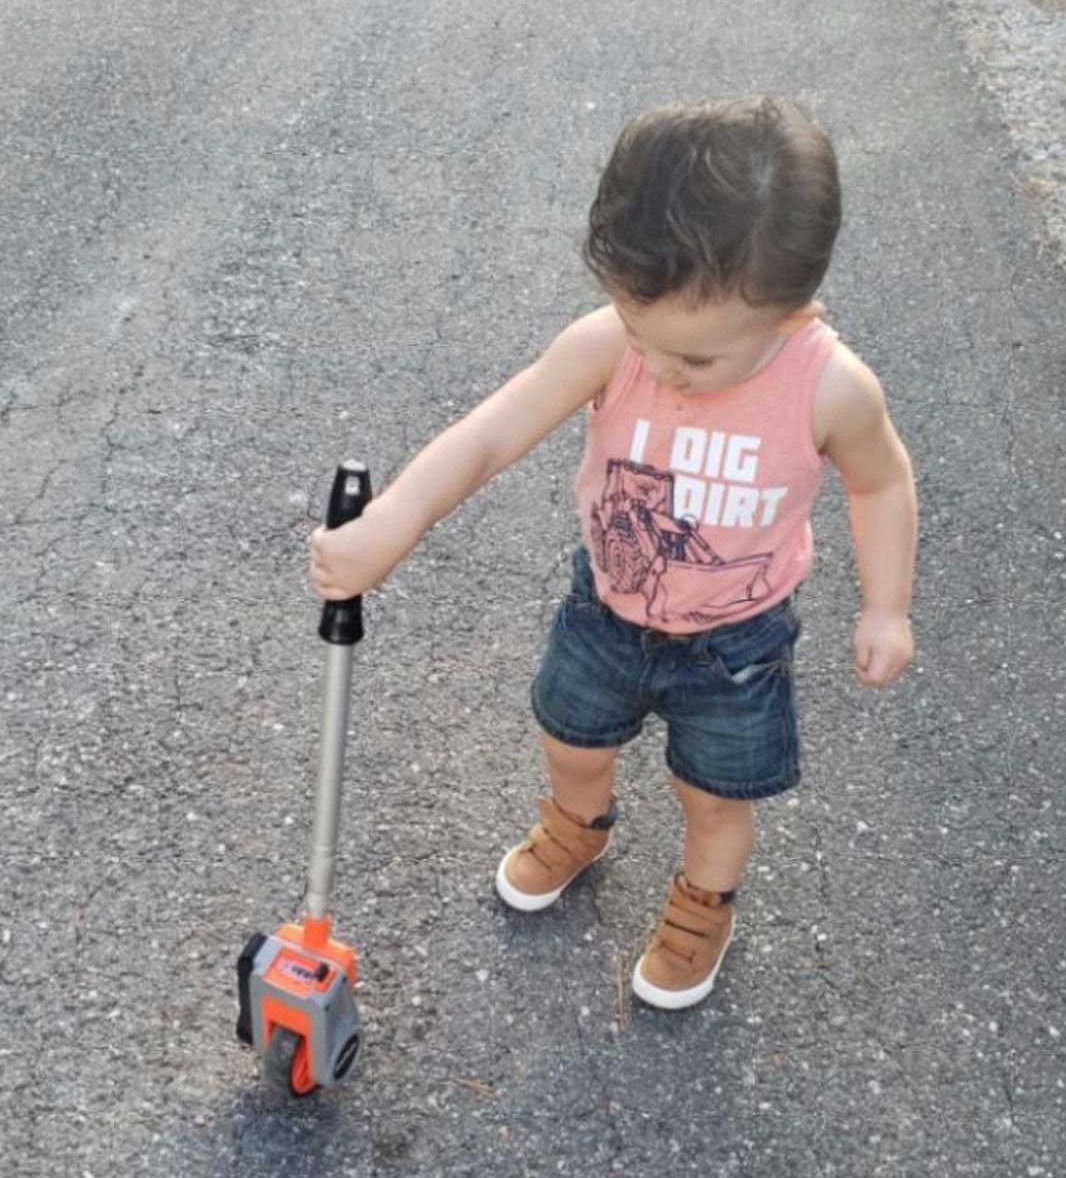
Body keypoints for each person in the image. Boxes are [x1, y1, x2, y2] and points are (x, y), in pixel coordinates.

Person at [308, 97, 917, 1011]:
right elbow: (491, 433)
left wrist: (885, 607)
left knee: (715, 795)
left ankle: (703, 904)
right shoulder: (608, 345)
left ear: (793, 317)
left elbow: (880, 484)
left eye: (697, 361)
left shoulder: (830, 388)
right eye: (642, 335)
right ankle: (577, 824)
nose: (663, 369)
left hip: (737, 647)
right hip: (604, 614)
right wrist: (392, 522)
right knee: (570, 739)